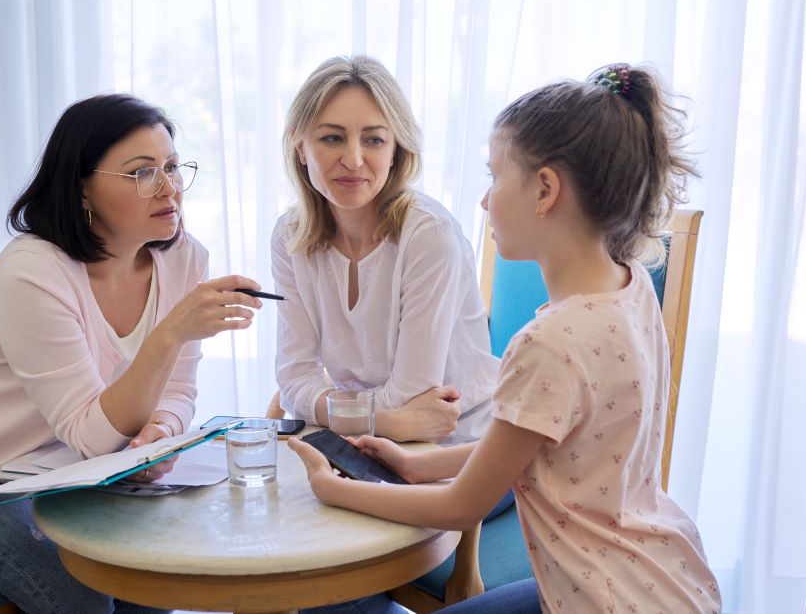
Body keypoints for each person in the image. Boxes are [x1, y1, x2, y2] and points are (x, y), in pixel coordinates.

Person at [289, 64, 722, 613]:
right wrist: (415, 463)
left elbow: (459, 509)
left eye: (494, 178)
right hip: (662, 578)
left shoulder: (548, 344)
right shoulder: (629, 290)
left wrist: (333, 488)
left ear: (544, 190)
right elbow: (542, 449)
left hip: (599, 599)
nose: (485, 202)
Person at [0, 94, 264, 614]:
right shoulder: (32, 272)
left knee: (157, 567)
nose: (170, 188)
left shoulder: (184, 257)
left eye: (172, 166)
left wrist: (158, 437)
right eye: (142, 172)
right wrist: (169, 334)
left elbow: (177, 391)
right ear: (83, 187)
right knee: (83, 591)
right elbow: (91, 436)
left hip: (57, 473)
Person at [273, 55, 501, 446]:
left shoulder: (430, 236)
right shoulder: (289, 235)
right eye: (332, 138)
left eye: (374, 140)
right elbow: (294, 379)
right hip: (365, 442)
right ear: (300, 145)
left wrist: (329, 408)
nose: (354, 159)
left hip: (458, 446)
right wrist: (388, 422)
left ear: (395, 149)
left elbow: (413, 397)